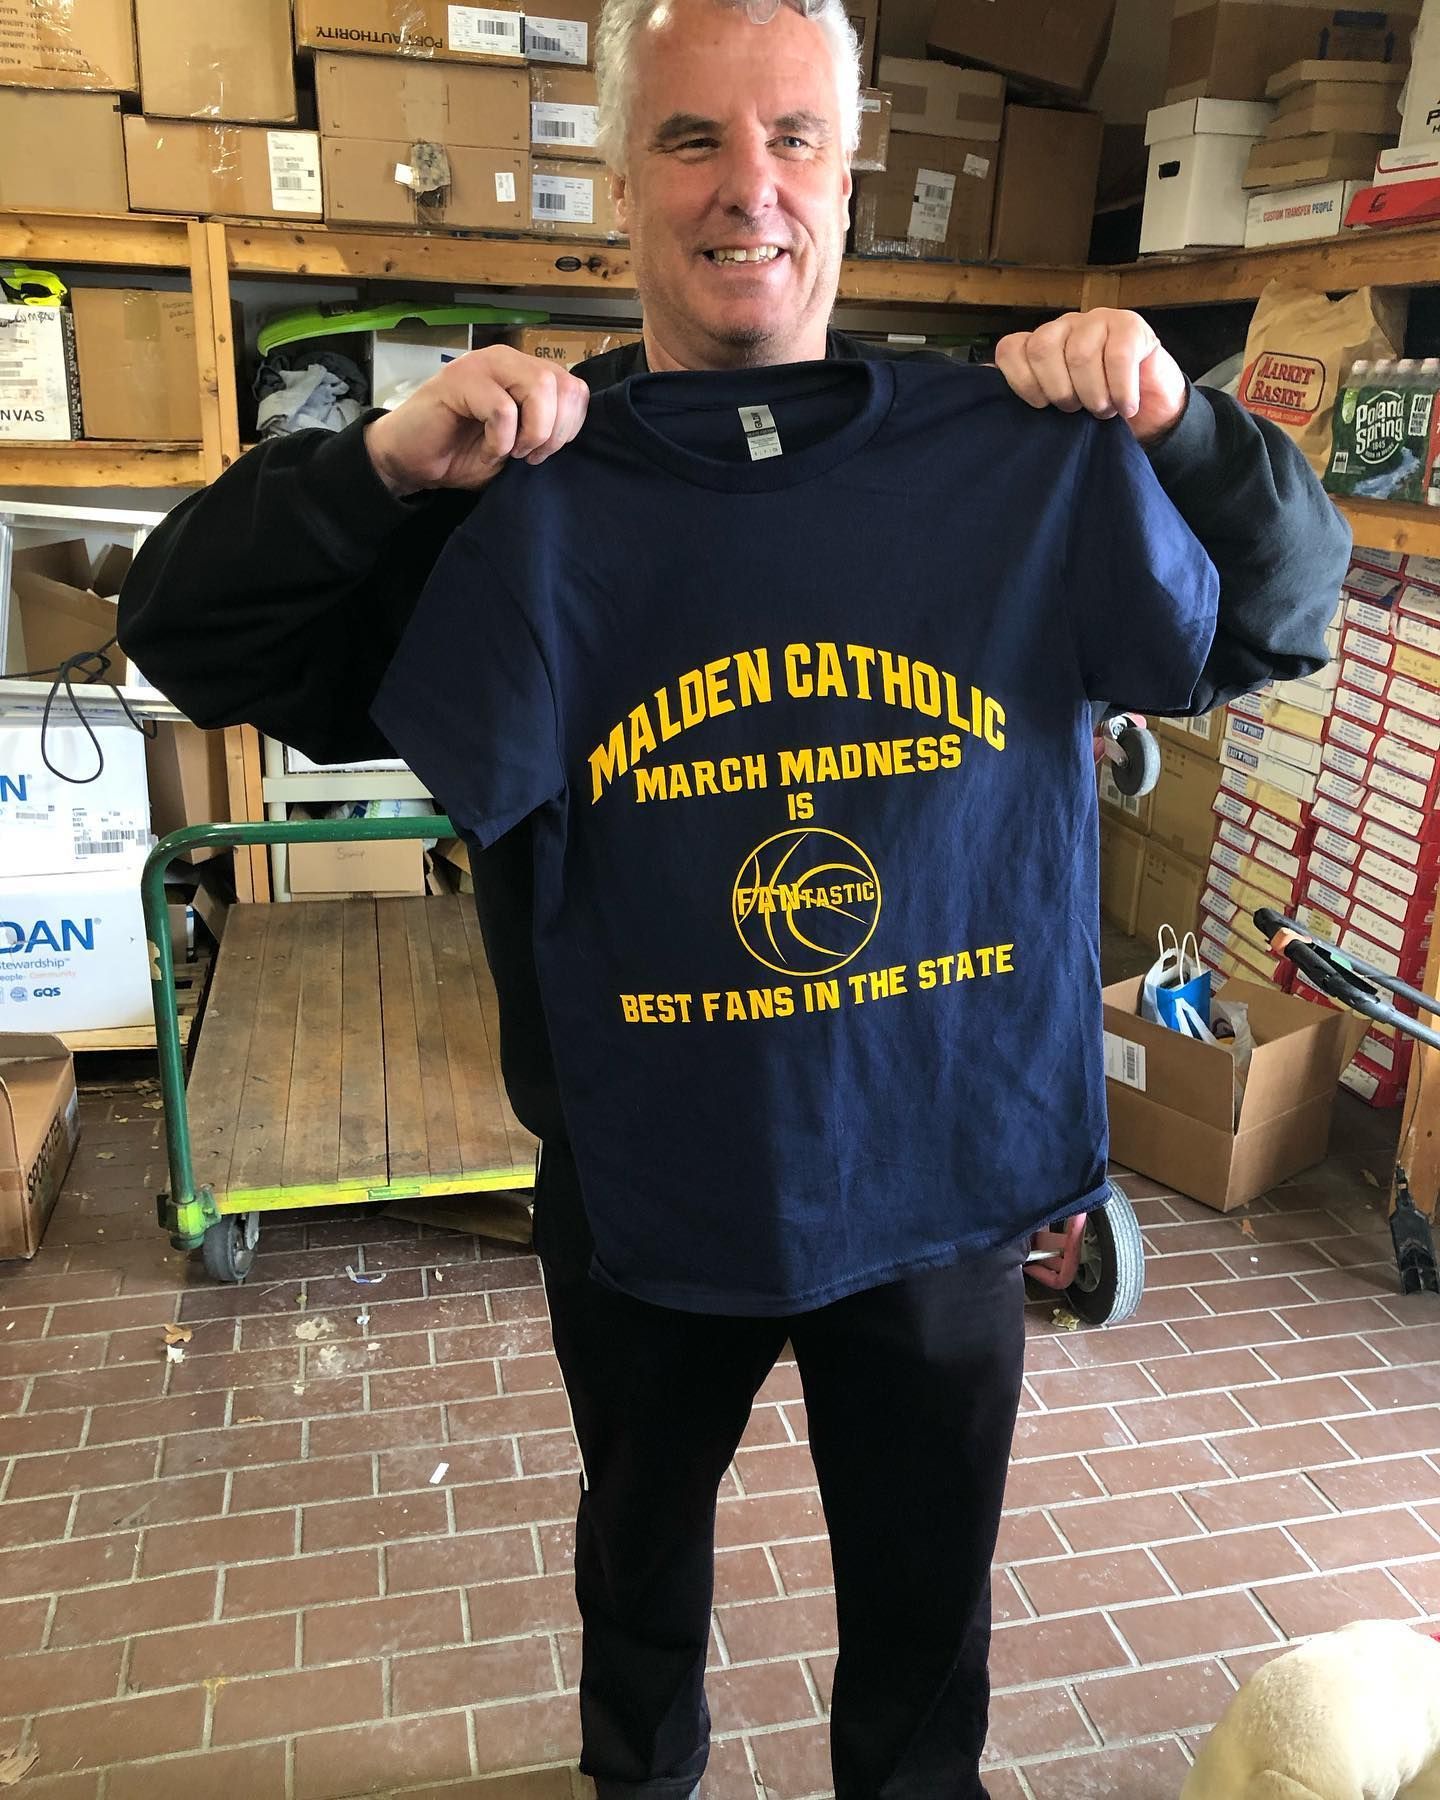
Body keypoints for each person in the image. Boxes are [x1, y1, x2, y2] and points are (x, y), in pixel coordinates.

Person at [119, 1, 1350, 1793]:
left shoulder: (1017, 458)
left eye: (789, 138)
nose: (745, 188)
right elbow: (186, 628)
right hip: (646, 1181)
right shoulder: (521, 490)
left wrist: (1177, 426)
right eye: (692, 139)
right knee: (640, 1576)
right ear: (626, 182)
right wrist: (383, 464)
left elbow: (1284, 607)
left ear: (850, 174)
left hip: (941, 1182)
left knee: (928, 1621)